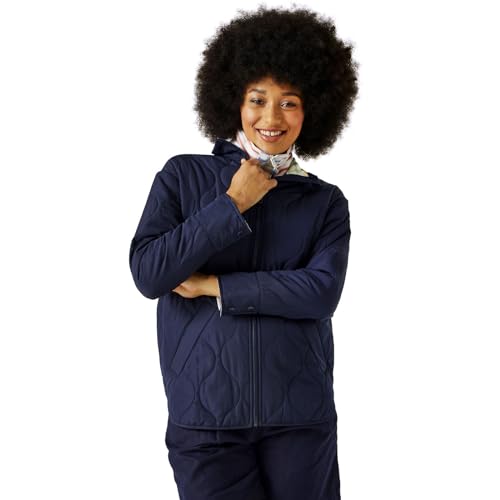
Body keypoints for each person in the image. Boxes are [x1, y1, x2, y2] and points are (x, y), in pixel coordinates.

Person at [129, 5, 359, 500]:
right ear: (234, 99)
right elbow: (149, 273)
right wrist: (232, 204)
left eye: (289, 102)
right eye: (258, 99)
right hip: (205, 419)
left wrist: (214, 286)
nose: (271, 118)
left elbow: (320, 293)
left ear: (313, 110)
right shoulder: (183, 176)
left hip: (300, 417)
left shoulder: (325, 201)